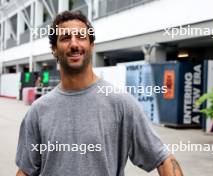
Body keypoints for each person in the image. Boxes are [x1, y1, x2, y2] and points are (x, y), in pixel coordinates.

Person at [15, 11, 183, 176]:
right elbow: (26, 171)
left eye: (81, 37)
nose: (74, 44)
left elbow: (162, 158)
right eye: (65, 38)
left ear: (91, 45)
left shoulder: (121, 104)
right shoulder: (38, 111)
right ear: (54, 49)